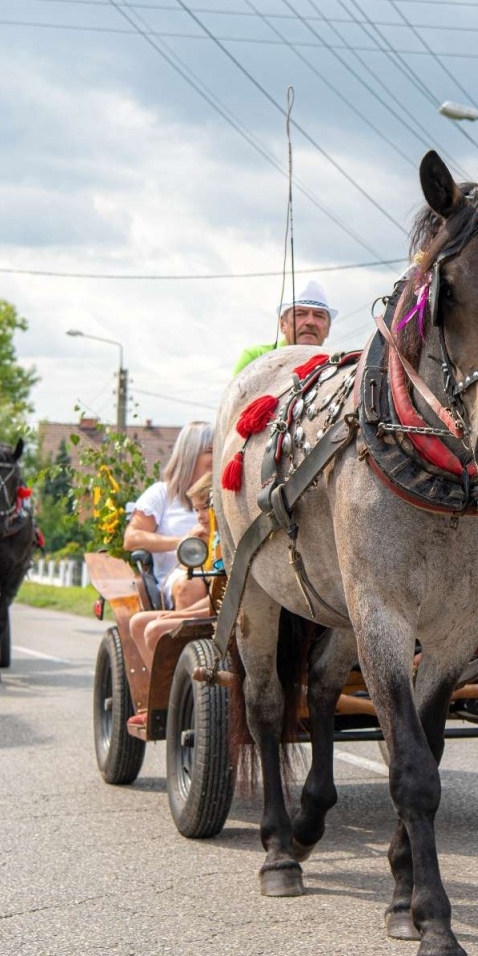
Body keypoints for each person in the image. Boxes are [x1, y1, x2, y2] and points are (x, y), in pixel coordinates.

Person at [128, 471, 215, 668]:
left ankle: (175, 689)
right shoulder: (204, 541)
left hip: (215, 614)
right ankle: (161, 693)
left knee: (154, 629)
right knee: (137, 623)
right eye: (196, 510)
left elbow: (221, 598)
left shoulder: (223, 545)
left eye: (206, 508)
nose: (200, 517)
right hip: (205, 608)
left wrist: (180, 615)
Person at [122, 421, 213, 603]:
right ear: (190, 455)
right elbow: (131, 539)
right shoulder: (162, 494)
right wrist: (185, 542)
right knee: (192, 585)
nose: (218, 457)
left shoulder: (225, 495)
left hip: (220, 571)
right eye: (210, 451)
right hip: (178, 577)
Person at [231, 280, 336, 376]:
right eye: (300, 314)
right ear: (282, 324)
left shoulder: (337, 366)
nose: (310, 322)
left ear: (328, 328)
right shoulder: (255, 358)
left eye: (319, 316)